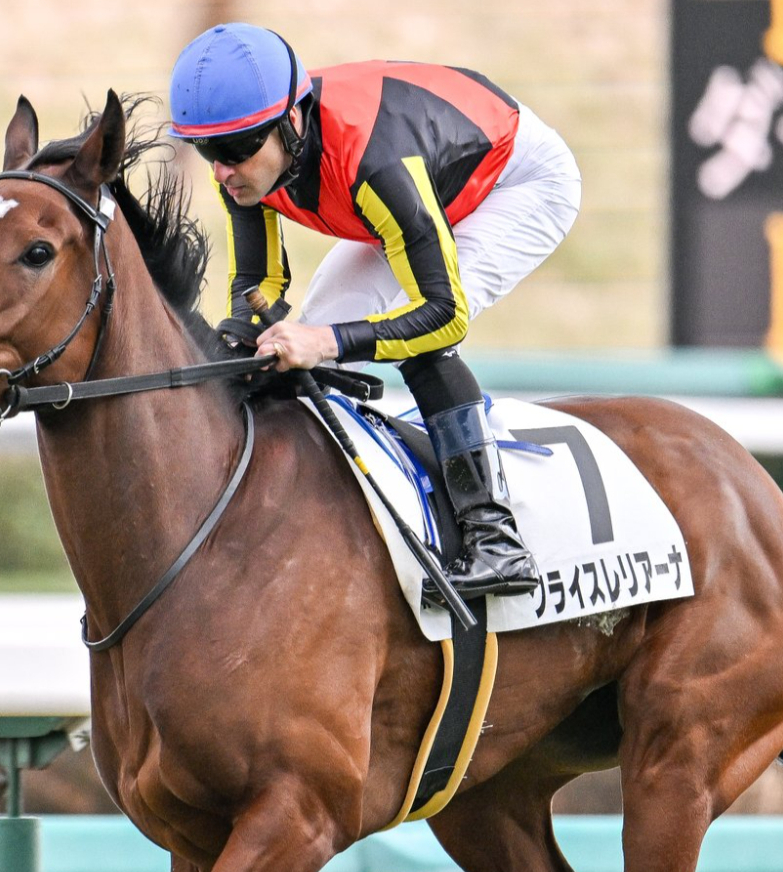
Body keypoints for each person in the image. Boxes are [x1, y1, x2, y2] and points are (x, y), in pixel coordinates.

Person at [167, 23, 583, 603]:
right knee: (302, 352)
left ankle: (495, 535)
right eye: (208, 151)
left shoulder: (374, 165)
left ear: (291, 123)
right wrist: (236, 346)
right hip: (421, 186)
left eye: (235, 152)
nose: (221, 171)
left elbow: (443, 314)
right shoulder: (248, 159)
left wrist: (325, 341)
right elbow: (258, 286)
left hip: (515, 183)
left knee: (404, 335)